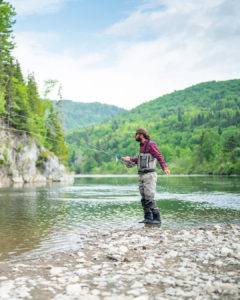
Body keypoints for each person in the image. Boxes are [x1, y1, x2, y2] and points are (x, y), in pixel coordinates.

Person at [122, 128, 170, 224]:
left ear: (141, 135)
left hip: (149, 175)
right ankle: (147, 217)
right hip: (141, 175)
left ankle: (157, 218)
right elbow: (140, 160)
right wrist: (130, 159)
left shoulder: (151, 144)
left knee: (149, 198)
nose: (135, 136)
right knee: (143, 198)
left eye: (136, 134)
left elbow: (159, 156)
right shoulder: (141, 146)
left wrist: (164, 168)